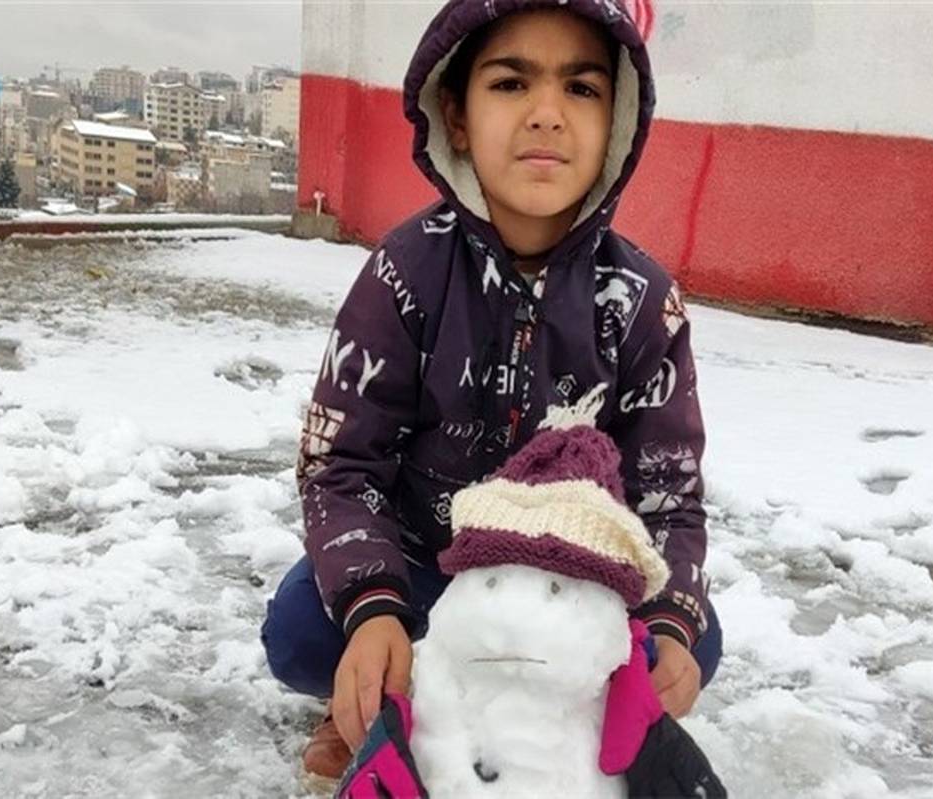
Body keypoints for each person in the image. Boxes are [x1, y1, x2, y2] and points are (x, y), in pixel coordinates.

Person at [261, 0, 723, 781]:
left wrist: (668, 623)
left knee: (694, 643)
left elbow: (669, 499)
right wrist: (374, 607)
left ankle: (550, 739)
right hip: (425, 571)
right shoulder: (404, 274)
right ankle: (395, 711)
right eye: (511, 83)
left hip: (569, 592)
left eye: (581, 88)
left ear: (617, 119)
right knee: (304, 630)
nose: (547, 114)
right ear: (457, 113)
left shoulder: (642, 301)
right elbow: (341, 464)